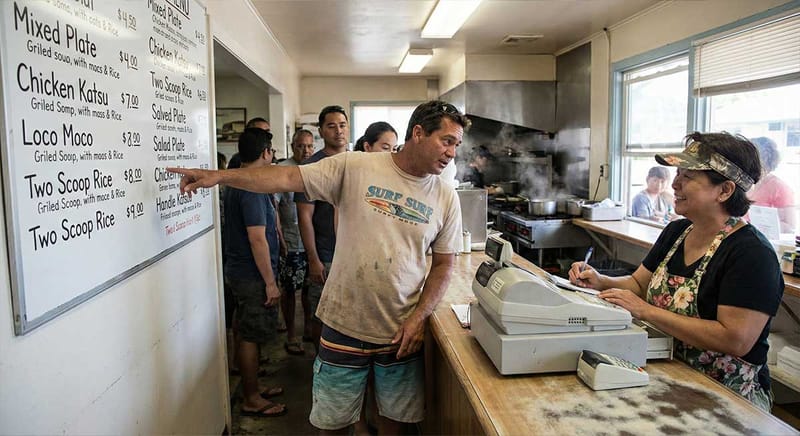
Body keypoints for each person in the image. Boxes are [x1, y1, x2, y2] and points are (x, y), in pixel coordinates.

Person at [168, 100, 467, 433]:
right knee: (334, 425)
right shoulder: (356, 167)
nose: (452, 152)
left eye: (457, 144)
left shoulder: (445, 196)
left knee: (392, 426)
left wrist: (419, 318)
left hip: (400, 333)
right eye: (447, 141)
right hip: (344, 323)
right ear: (418, 133)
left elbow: (444, 264)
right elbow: (283, 177)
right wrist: (218, 176)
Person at [569, 132, 784, 412]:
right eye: (678, 173)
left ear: (725, 190)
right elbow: (638, 284)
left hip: (727, 397)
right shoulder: (677, 231)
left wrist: (647, 311)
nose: (675, 183)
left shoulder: (752, 253)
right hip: (668, 371)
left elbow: (735, 338)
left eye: (688, 176)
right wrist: (600, 281)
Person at [222, 128, 286, 418]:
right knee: (249, 334)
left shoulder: (242, 181)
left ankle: (255, 388)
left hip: (244, 271)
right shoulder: (250, 186)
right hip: (251, 274)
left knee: (246, 328)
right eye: (271, 152)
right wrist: (270, 283)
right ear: (265, 153)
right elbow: (256, 238)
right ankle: (250, 398)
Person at [295, 105, 349, 350]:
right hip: (326, 255)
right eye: (331, 126)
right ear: (321, 130)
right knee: (322, 313)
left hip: (353, 254)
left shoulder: (356, 161)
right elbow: (304, 217)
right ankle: (321, 362)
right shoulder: (312, 167)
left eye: (342, 125)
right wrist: (313, 259)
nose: (338, 131)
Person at [276, 129, 315, 355]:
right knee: (290, 291)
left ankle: (309, 327)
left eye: (309, 146)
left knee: (310, 289)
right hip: (291, 243)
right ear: (293, 146)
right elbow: (274, 208)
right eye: (301, 146)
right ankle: (291, 334)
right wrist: (280, 239)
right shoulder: (284, 171)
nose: (306, 150)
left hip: (312, 242)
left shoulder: (316, 168)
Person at [747, 136, 796, 233]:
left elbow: (791, 227)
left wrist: (762, 224)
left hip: (762, 241)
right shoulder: (742, 182)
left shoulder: (780, 188)